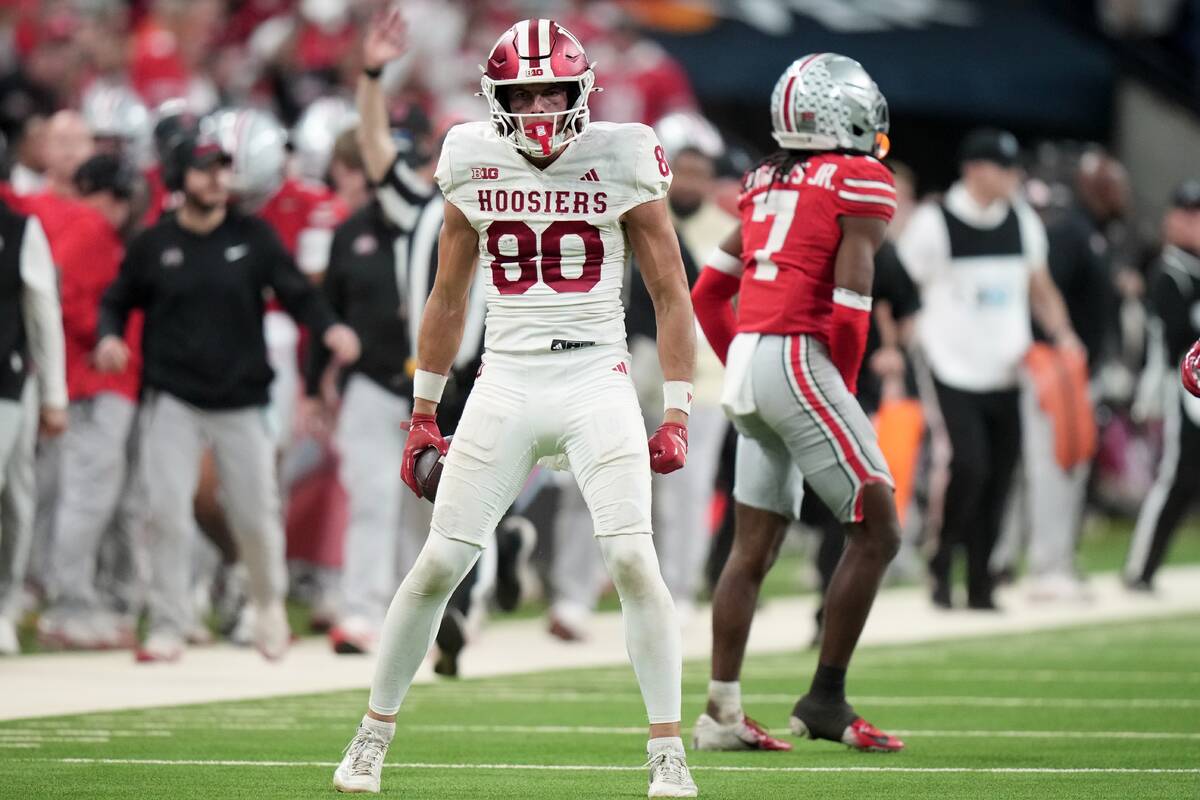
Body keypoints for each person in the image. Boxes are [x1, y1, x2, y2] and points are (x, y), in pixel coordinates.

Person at [332, 13, 698, 797]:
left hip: (596, 376)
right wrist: (426, 411)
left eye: (551, 93)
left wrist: (676, 409)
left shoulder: (625, 154)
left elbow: (671, 293)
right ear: (497, 98)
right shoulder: (468, 154)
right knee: (440, 562)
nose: (537, 110)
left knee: (633, 556)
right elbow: (448, 293)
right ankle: (370, 738)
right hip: (504, 377)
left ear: (579, 91)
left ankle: (667, 751)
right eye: (522, 95)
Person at [689, 53, 904, 754]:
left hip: (751, 355)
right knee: (878, 526)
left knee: (752, 548)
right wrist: (834, 387)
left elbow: (706, 294)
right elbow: (848, 311)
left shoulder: (761, 180)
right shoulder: (860, 178)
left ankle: (721, 712)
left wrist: (745, 366)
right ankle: (825, 700)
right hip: (797, 354)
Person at [95, 128, 360, 663]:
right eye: (204, 168)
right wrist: (107, 337)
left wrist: (330, 329)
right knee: (167, 511)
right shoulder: (156, 244)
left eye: (222, 167)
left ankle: (267, 605)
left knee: (257, 515)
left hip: (241, 398)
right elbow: (118, 299)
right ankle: (168, 622)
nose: (217, 178)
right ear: (179, 177)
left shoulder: (254, 238)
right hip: (172, 396)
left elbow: (297, 292)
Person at [898, 128, 1081, 610]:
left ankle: (980, 582)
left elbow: (1040, 288)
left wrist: (1063, 335)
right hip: (949, 365)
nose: (1014, 177)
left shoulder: (1022, 220)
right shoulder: (934, 223)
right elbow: (901, 288)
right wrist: (898, 344)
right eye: (1004, 168)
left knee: (1001, 476)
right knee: (969, 466)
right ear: (975, 170)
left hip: (1008, 366)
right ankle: (941, 562)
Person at [38, 155, 144, 649]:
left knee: (100, 498)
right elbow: (68, 303)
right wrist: (105, 337)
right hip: (95, 381)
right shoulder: (89, 228)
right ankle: (67, 607)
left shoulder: (87, 229)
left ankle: (86, 600)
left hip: (104, 383)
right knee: (87, 497)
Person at [1124, 180, 1200, 590]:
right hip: (1182, 390)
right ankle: (1141, 569)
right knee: (1176, 478)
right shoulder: (1169, 272)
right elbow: (1173, 344)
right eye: (1189, 214)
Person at [0, 195, 67, 655]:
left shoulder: (20, 229)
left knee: (14, 495)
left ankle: (5, 605)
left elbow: (43, 309)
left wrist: (54, 395)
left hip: (6, 377)